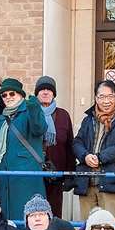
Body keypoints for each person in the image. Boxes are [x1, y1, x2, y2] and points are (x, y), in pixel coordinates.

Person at [72, 79, 115, 223]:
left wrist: (100, 157)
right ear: (96, 98)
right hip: (87, 183)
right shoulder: (89, 120)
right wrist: (85, 156)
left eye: (110, 96)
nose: (106, 101)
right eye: (102, 97)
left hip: (112, 183)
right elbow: (77, 142)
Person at [0, 78, 48, 218]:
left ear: (20, 95)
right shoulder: (1, 119)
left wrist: (35, 108)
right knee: (7, 217)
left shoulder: (29, 111)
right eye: (4, 95)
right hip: (5, 177)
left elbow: (39, 129)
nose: (8, 97)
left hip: (26, 176)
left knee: (27, 216)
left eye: (12, 94)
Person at [32, 75, 76, 215]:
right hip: (34, 173)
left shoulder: (63, 115)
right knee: (35, 213)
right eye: (42, 90)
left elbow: (69, 146)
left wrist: (70, 174)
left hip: (55, 175)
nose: (45, 92)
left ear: (54, 94)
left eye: (49, 90)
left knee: (54, 213)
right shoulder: (29, 113)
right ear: (37, 93)